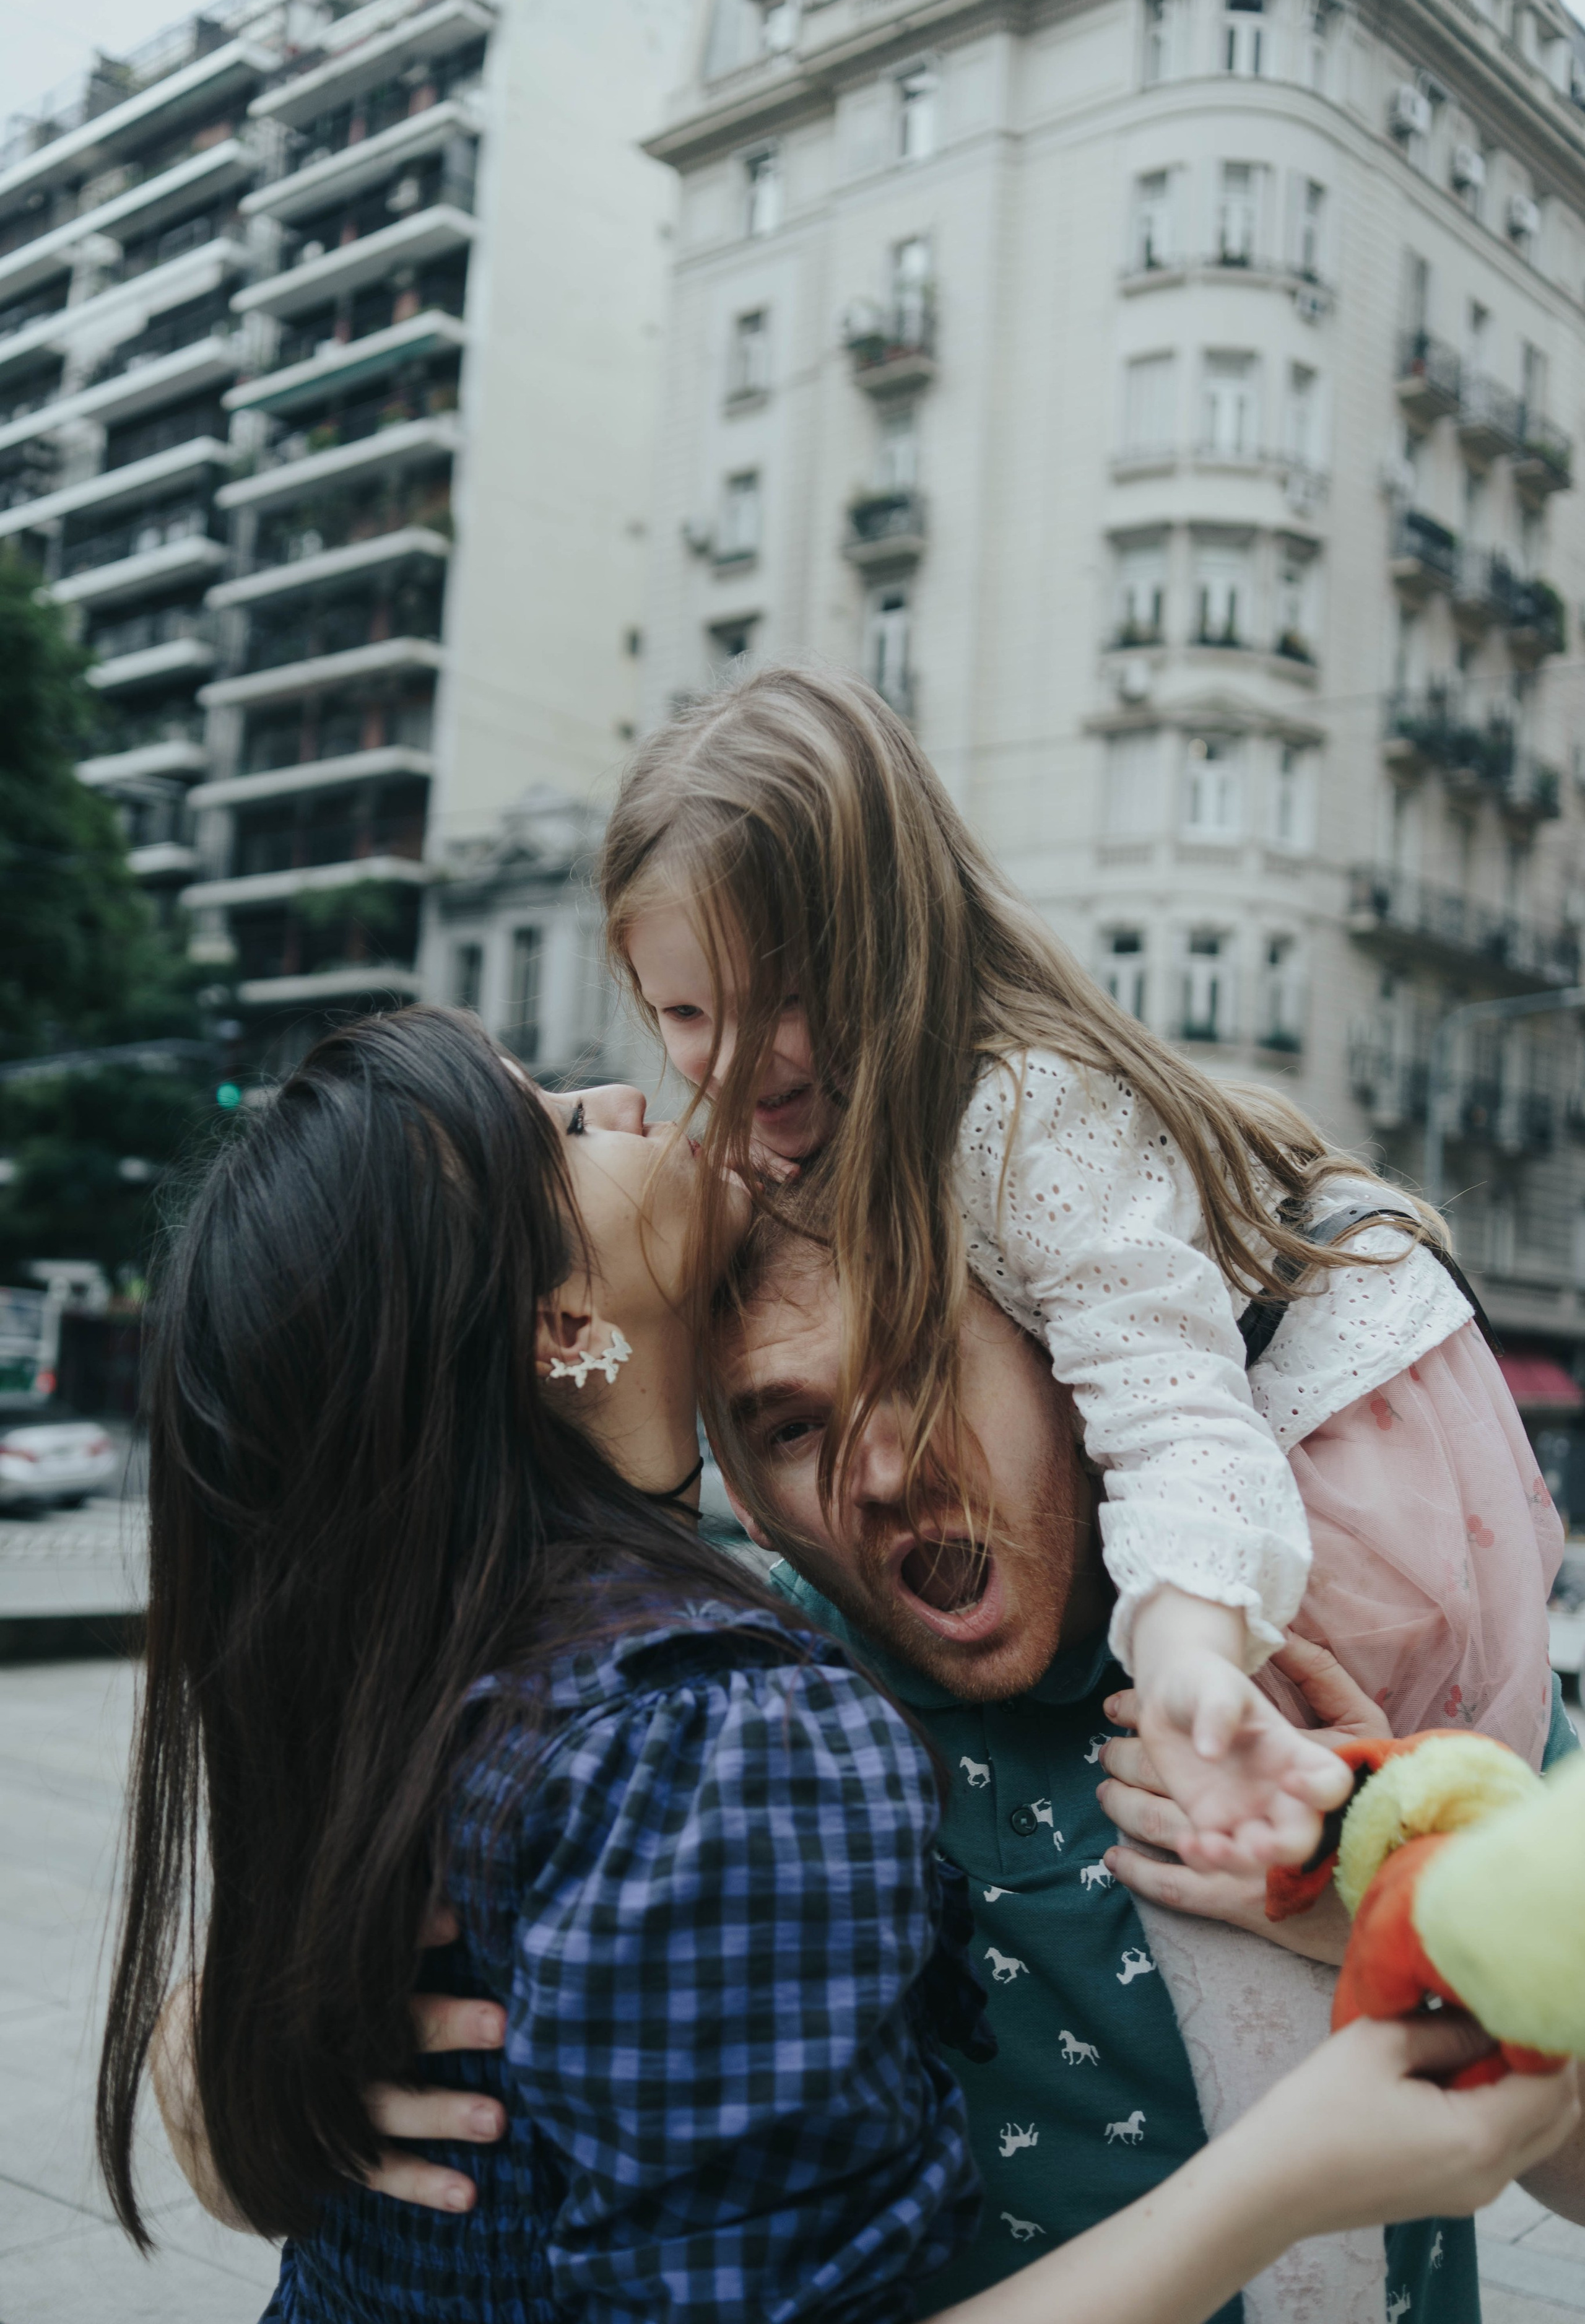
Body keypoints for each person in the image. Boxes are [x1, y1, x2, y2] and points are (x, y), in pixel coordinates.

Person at [115, 1008, 1573, 2323]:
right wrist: (249, 2056)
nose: (877, 1469)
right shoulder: (719, 1705)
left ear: (1067, 1359)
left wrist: (1407, 1926)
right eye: (791, 1425)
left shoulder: (1365, 1642)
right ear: (733, 1479)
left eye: (920, 1364)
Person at [598, 664, 1565, 1871]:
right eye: (685, 1016)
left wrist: (1188, 1665)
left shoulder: (1021, 1115)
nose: (737, 1059)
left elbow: (1172, 1415)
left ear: (895, 941)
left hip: (1328, 1442)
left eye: (783, 997)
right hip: (1264, 1426)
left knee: (1282, 1834)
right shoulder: (816, 1112)